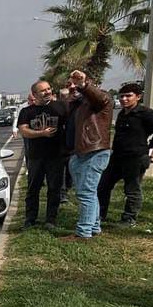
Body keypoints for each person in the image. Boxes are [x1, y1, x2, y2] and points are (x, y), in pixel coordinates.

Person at [60, 69, 113, 242]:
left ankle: (83, 233)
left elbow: (101, 98)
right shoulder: (78, 104)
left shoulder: (98, 100)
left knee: (86, 194)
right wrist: (70, 93)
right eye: (70, 84)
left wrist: (83, 84)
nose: (73, 87)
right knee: (89, 193)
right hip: (80, 153)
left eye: (76, 84)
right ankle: (94, 226)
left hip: (93, 152)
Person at [97, 81, 153, 227]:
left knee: (132, 189)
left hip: (136, 158)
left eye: (128, 96)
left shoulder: (145, 114)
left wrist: (151, 146)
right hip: (117, 157)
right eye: (122, 96)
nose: (124, 99)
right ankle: (99, 214)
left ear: (138, 97)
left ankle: (129, 219)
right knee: (103, 185)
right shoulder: (122, 114)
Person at [16, 80, 68, 229]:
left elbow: (70, 125)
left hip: (56, 155)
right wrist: (41, 133)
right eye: (43, 90)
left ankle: (51, 219)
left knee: (54, 188)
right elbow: (24, 130)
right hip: (35, 157)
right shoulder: (27, 112)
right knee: (33, 189)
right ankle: (30, 219)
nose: (47, 92)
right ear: (34, 94)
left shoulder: (60, 107)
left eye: (49, 89)